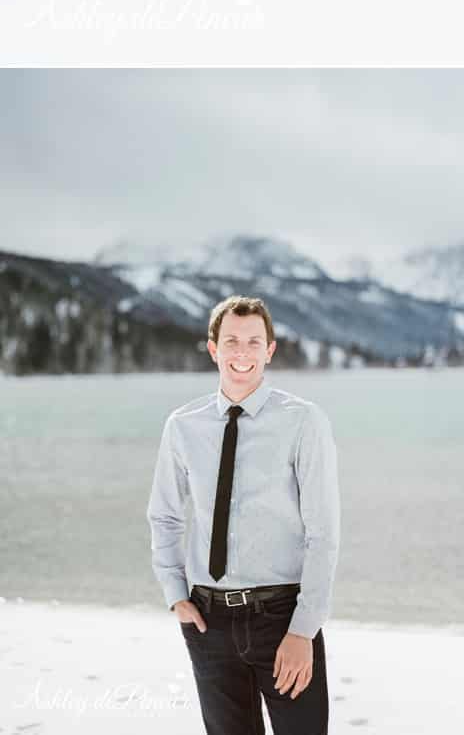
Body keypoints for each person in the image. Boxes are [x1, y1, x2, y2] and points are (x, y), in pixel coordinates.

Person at [148, 296, 340, 734]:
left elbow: (323, 532)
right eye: (231, 340)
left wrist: (304, 630)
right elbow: (164, 515)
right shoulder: (182, 426)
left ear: (269, 350)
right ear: (213, 348)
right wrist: (175, 593)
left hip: (282, 618)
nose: (242, 352)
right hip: (208, 621)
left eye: (254, 342)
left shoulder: (303, 422)